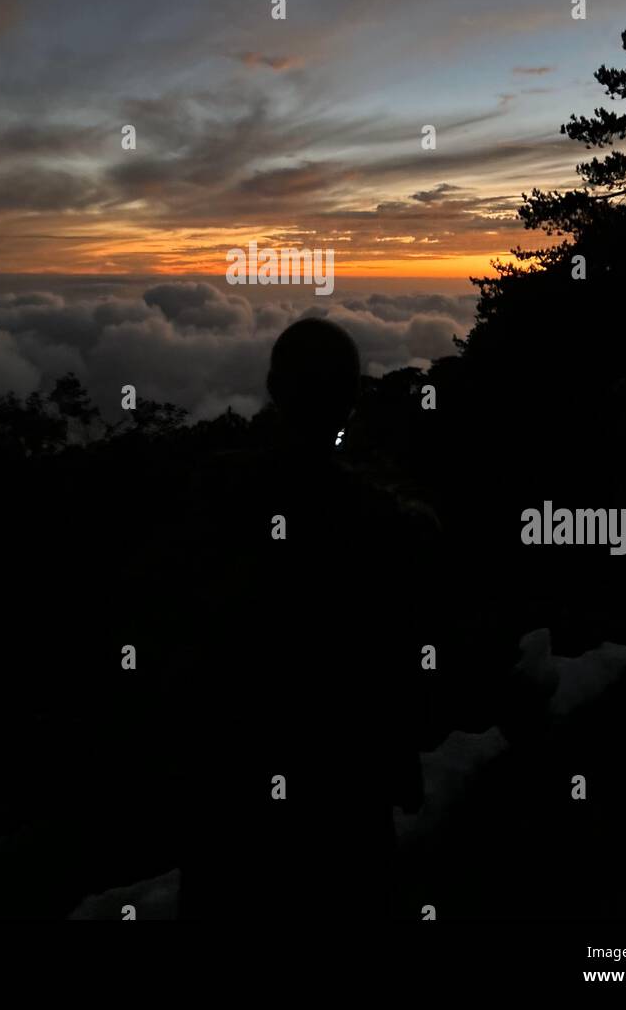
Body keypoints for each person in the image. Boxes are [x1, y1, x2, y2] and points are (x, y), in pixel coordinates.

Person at [174, 317, 436, 921]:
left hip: (228, 804)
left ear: (273, 387)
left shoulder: (211, 494)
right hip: (342, 804)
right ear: (353, 398)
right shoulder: (379, 522)